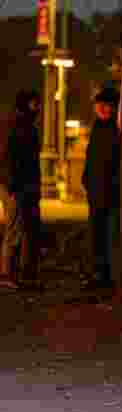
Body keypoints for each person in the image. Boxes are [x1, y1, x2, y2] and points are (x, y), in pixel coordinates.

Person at [0, 90, 42, 290]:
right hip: (16, 187)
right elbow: (8, 158)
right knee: (14, 229)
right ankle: (7, 273)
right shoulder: (16, 126)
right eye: (35, 104)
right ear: (26, 105)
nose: (38, 107)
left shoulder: (26, 126)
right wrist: (12, 186)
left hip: (25, 186)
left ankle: (21, 272)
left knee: (25, 229)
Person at [81, 87, 121, 290]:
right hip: (96, 190)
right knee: (96, 235)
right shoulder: (97, 127)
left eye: (107, 105)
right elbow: (91, 157)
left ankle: (108, 276)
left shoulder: (117, 128)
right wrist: (86, 179)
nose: (103, 109)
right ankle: (97, 273)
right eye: (99, 105)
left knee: (109, 235)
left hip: (111, 191)